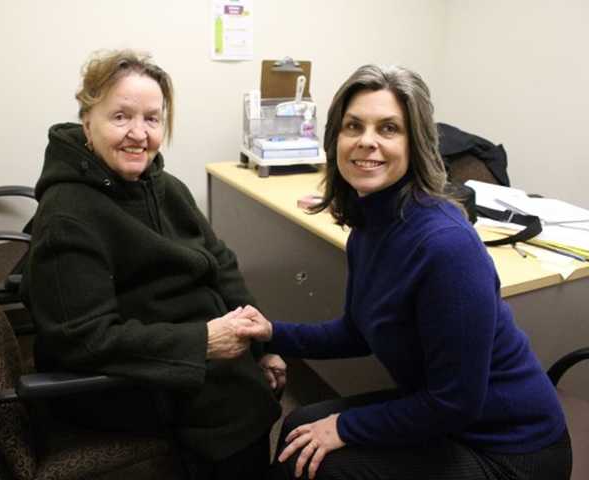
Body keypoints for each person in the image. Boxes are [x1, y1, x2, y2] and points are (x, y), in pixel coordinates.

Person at [238, 64, 572, 480]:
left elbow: (456, 402)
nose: (367, 142)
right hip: (446, 416)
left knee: (312, 464)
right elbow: (359, 331)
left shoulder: (446, 247)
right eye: (353, 126)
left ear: (415, 143)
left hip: (509, 449)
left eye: (389, 128)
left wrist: (344, 427)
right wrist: (272, 332)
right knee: (298, 428)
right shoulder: (369, 228)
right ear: (335, 140)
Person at [20, 49, 284, 480]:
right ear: (88, 122)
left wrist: (263, 344)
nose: (138, 134)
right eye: (120, 117)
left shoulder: (163, 186)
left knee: (251, 382)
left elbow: (220, 262)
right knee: (237, 403)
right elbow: (82, 339)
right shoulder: (68, 215)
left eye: (152, 119)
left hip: (176, 341)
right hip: (111, 380)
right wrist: (201, 342)